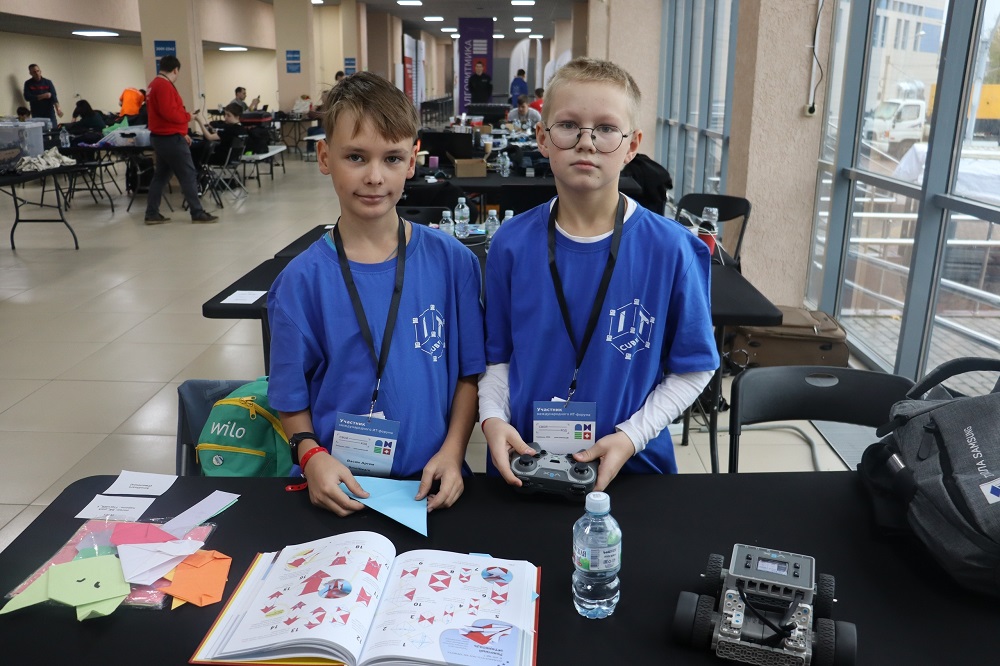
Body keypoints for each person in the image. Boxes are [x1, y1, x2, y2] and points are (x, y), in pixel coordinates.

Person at [479, 57, 718, 492]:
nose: (586, 142)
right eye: (568, 125)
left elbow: (694, 368)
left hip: (635, 468)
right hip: (524, 464)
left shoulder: (673, 250)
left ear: (632, 145)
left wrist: (632, 436)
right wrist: (493, 418)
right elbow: (498, 359)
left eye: (606, 129)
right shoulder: (510, 243)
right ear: (543, 138)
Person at [267, 72, 485, 517]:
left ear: (412, 161)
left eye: (392, 158)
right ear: (325, 157)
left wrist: (453, 451)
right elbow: (291, 400)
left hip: (430, 483)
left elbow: (469, 375)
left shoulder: (454, 264)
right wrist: (311, 456)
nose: (374, 176)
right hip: (335, 487)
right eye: (355, 157)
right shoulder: (299, 282)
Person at [144, 55, 218, 224]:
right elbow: (169, 113)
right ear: (176, 70)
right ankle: (197, 212)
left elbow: (163, 114)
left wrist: (182, 131)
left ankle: (152, 213)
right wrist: (188, 117)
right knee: (188, 174)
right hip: (170, 139)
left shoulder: (153, 85)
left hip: (162, 137)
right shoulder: (164, 86)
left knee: (161, 176)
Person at [23, 64, 62, 128]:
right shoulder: (28, 83)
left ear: (40, 71)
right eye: (34, 72)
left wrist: (58, 109)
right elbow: (27, 97)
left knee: (54, 130)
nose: (37, 73)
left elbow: (54, 97)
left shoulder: (48, 82)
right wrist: (43, 96)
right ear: (30, 73)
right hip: (36, 113)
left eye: (38, 71)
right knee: (40, 131)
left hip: (49, 112)